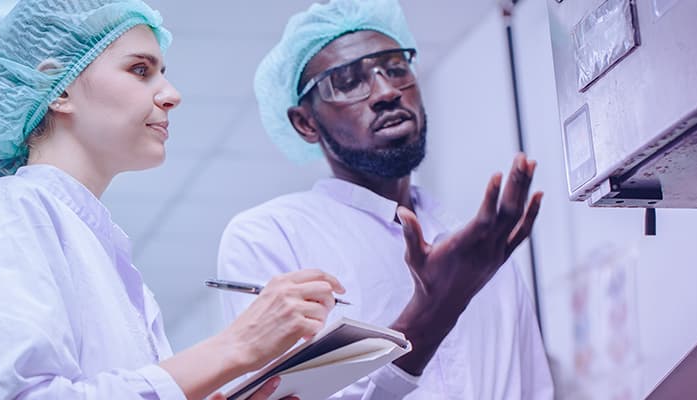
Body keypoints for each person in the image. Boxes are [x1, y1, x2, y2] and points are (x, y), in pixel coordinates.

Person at [0, 1, 345, 399]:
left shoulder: (98, 249)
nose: (172, 95)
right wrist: (235, 346)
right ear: (55, 86)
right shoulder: (10, 211)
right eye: (140, 70)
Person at [217, 0, 553, 398]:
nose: (387, 91)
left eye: (396, 68)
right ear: (306, 122)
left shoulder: (479, 248)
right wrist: (434, 310)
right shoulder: (271, 236)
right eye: (346, 81)